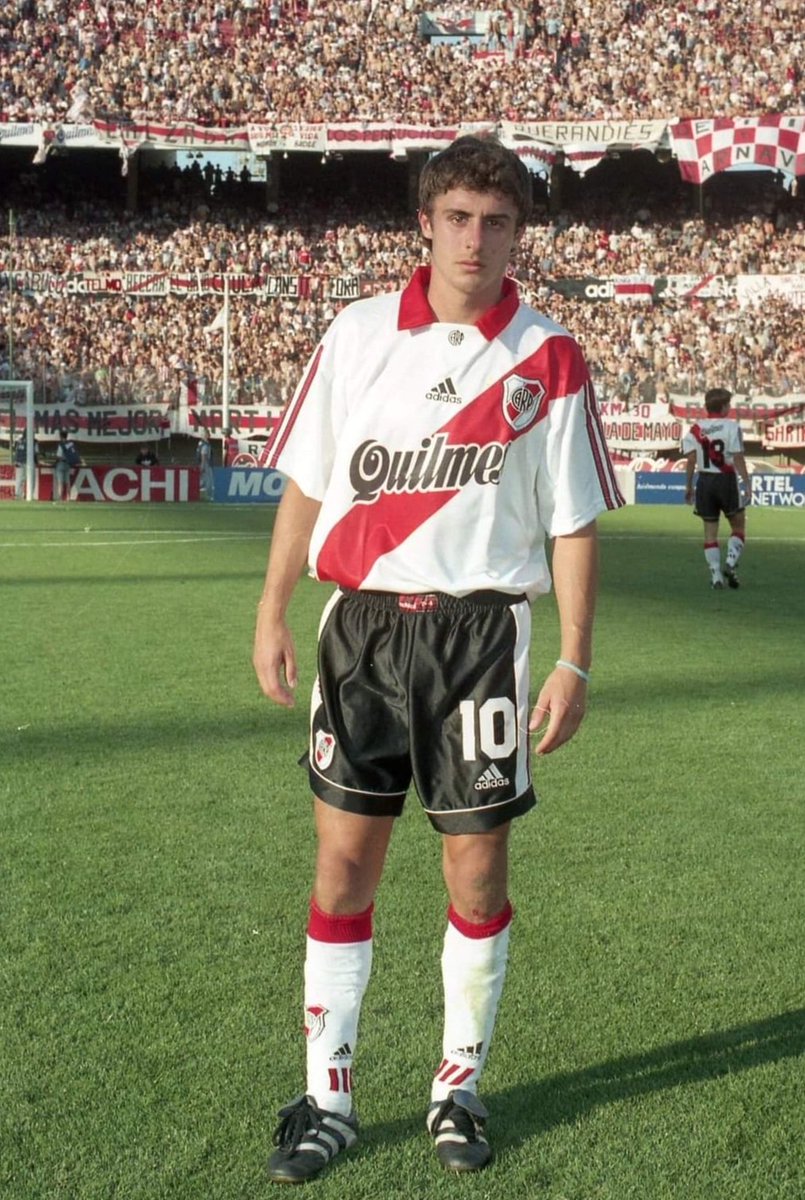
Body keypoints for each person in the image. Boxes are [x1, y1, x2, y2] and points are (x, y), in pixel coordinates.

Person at [252, 135, 625, 1185]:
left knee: (476, 867)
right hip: (361, 629)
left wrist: (575, 662)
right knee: (342, 864)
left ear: (517, 232)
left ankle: (456, 1086)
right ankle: (326, 1095)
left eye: (496, 221)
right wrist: (272, 611)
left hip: (479, 641)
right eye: (458, 216)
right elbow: (309, 488)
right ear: (427, 221)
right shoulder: (359, 332)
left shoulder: (548, 355)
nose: (476, 238)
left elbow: (574, 524)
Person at [682, 386, 750, 589]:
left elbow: (691, 460)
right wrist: (746, 483)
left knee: (710, 532)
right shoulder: (731, 427)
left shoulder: (696, 429)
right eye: (728, 404)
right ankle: (730, 561)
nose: (730, 407)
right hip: (726, 480)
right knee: (738, 526)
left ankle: (716, 576)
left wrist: (688, 486)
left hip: (705, 481)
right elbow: (737, 457)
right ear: (723, 407)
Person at [52, 429, 81, 501]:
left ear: (60, 436)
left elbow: (59, 456)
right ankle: (68, 498)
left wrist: (54, 462)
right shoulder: (70, 444)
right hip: (68, 464)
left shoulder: (61, 445)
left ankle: (60, 498)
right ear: (67, 436)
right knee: (67, 482)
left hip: (61, 464)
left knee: (60, 482)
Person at [14, 431, 38, 499]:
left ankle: (18, 495)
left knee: (20, 479)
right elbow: (36, 453)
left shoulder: (19, 441)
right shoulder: (34, 442)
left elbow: (17, 452)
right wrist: (37, 462)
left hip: (20, 462)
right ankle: (29, 495)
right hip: (30, 462)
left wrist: (16, 461)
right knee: (31, 479)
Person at [196, 430, 214, 497]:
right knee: (209, 481)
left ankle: (194, 492)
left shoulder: (200, 443)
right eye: (208, 434)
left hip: (202, 463)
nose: (209, 435)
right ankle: (210, 496)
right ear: (205, 435)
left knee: (203, 481)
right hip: (206, 464)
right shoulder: (205, 444)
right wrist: (203, 465)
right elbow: (203, 455)